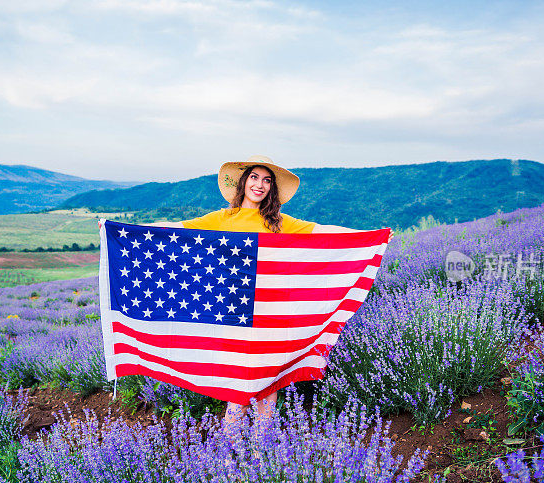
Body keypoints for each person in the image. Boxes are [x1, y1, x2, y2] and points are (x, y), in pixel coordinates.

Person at [143, 155, 392, 436]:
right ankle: (230, 454)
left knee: (268, 386)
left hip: (269, 314)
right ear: (243, 181)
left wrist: (372, 237)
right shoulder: (222, 219)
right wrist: (123, 231)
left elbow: (322, 233)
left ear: (271, 188)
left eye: (266, 180)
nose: (259, 185)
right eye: (254, 177)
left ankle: (264, 454)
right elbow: (176, 230)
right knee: (238, 388)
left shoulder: (278, 222)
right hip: (234, 312)